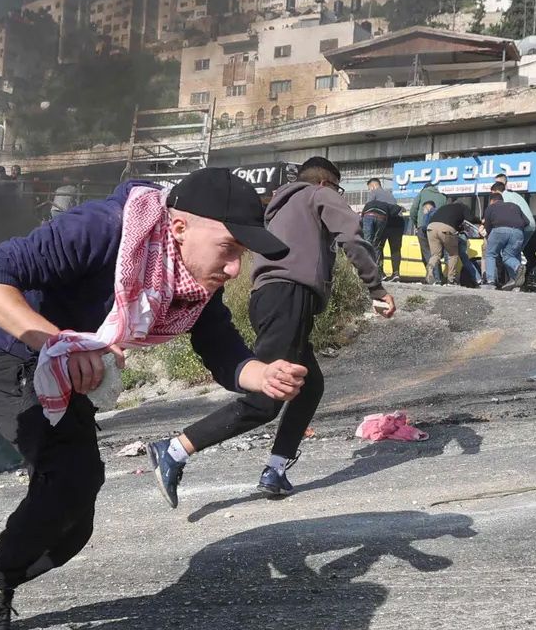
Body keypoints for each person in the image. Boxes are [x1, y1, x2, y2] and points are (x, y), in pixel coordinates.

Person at [0, 168, 306, 630]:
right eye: (230, 248)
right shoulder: (102, 229)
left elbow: (219, 344)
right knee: (69, 477)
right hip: (7, 350)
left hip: (66, 365)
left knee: (72, 527)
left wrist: (260, 374)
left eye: (243, 254)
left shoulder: (189, 279)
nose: (236, 268)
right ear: (179, 228)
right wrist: (54, 341)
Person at [150, 157, 392, 502]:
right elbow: (351, 237)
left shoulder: (279, 206)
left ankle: (275, 470)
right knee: (268, 395)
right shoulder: (318, 194)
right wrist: (377, 289)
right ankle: (173, 450)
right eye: (336, 189)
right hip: (291, 295)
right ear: (326, 183)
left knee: (308, 386)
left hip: (266, 297)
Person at [480, 190, 530, 290]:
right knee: (508, 256)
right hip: (518, 232)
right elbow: (527, 222)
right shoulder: (514, 206)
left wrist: (489, 236)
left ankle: (490, 281)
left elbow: (488, 225)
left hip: (499, 230)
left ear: (492, 201)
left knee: (490, 254)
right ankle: (518, 267)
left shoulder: (491, 207)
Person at [360, 182, 406, 280]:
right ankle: (396, 273)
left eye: (369, 188)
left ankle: (380, 272)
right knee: (395, 249)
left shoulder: (374, 193)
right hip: (398, 224)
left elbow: (370, 206)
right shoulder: (390, 195)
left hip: (385, 222)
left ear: (373, 186)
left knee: (378, 246)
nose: (370, 190)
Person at [425, 197, 470, 286]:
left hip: (431, 228)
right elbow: (470, 219)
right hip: (446, 230)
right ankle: (451, 280)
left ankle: (430, 269)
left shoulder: (443, 208)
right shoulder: (461, 208)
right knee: (453, 254)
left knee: (435, 255)